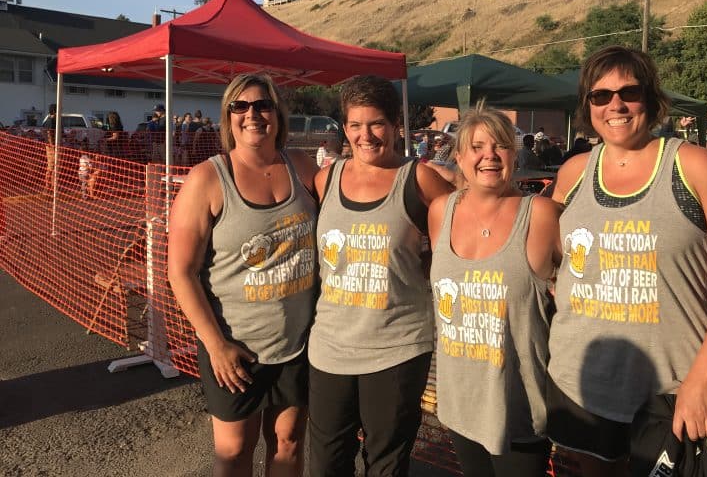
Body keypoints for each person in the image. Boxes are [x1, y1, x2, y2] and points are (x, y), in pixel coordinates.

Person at [545, 46, 707, 476]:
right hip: (580, 379)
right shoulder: (573, 173)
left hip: (670, 388)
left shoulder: (692, 165)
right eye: (600, 96)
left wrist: (702, 378)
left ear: (651, 98)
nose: (616, 105)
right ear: (588, 106)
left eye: (629, 92)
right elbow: (551, 257)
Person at [168, 74, 319, 477]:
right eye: (241, 106)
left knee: (288, 442)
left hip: (298, 344)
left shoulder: (301, 166)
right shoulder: (207, 180)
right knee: (235, 450)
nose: (252, 114)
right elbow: (180, 272)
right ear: (228, 116)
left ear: (277, 114)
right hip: (235, 347)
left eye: (262, 105)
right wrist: (215, 345)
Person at [308, 74, 453, 477]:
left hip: (397, 348)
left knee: (386, 464)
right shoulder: (326, 180)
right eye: (355, 125)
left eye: (376, 124)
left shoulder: (420, 180)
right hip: (330, 347)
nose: (365, 135)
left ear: (394, 126)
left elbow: (454, 251)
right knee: (325, 463)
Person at [427, 102, 561, 477]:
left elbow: (583, 292)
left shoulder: (541, 215)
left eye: (500, 145)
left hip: (520, 405)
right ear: (458, 157)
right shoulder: (440, 211)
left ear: (514, 154)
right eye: (477, 147)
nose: (489, 155)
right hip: (459, 401)